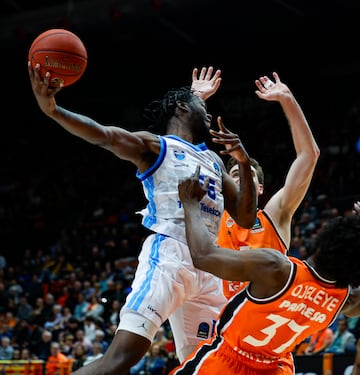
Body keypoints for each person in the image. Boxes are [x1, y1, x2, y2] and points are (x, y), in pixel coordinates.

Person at [28, 62, 257, 374]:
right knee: (123, 358)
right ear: (181, 107)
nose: (208, 111)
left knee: (212, 364)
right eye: (199, 105)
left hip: (209, 265)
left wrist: (243, 162)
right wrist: (53, 110)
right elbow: (104, 135)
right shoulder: (157, 146)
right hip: (169, 257)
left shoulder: (213, 159)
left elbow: (245, 217)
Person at [170, 165, 360, 374]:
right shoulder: (344, 300)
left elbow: (203, 256)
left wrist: (189, 203)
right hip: (277, 367)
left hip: (228, 361)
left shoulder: (277, 269)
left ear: (324, 241)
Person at [218, 71, 320, 300]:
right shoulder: (213, 219)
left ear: (260, 188)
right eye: (235, 173)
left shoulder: (274, 215)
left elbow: (308, 155)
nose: (242, 177)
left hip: (271, 317)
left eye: (248, 174)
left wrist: (287, 99)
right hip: (227, 323)